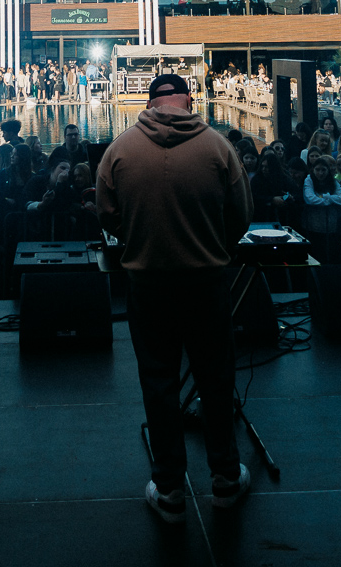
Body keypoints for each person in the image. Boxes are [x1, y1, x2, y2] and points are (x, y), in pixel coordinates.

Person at [96, 72, 252, 523]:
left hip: (148, 284)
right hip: (206, 282)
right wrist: (212, 243)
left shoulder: (119, 149)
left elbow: (107, 215)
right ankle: (225, 480)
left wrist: (139, 237)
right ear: (188, 100)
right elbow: (242, 215)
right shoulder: (219, 147)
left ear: (149, 103)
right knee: (215, 380)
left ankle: (169, 491)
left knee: (159, 382)